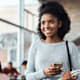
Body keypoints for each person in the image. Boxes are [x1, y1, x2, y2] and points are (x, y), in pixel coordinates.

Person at [26, 1, 80, 80]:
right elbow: (28, 76)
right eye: (43, 23)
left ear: (59, 24)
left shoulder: (70, 46)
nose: (46, 26)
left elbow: (78, 73)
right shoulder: (36, 46)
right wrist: (44, 73)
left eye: (51, 22)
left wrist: (72, 77)